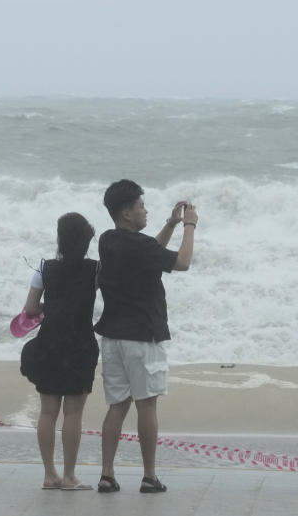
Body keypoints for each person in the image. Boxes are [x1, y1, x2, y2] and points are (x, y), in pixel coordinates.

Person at [93, 179, 197, 494]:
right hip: (142, 337)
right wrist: (189, 227)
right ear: (126, 213)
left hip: (112, 337)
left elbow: (150, 249)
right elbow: (182, 263)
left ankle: (107, 475)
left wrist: (169, 223)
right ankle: (149, 476)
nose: (144, 210)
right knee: (147, 406)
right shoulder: (138, 247)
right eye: (140, 206)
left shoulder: (108, 240)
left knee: (117, 406)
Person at [19, 212, 100, 490]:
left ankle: (49, 475)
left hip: (49, 343)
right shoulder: (95, 269)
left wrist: (50, 309)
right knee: (73, 414)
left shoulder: (44, 267)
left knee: (47, 413)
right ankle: (69, 476)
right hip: (80, 345)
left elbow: (30, 308)